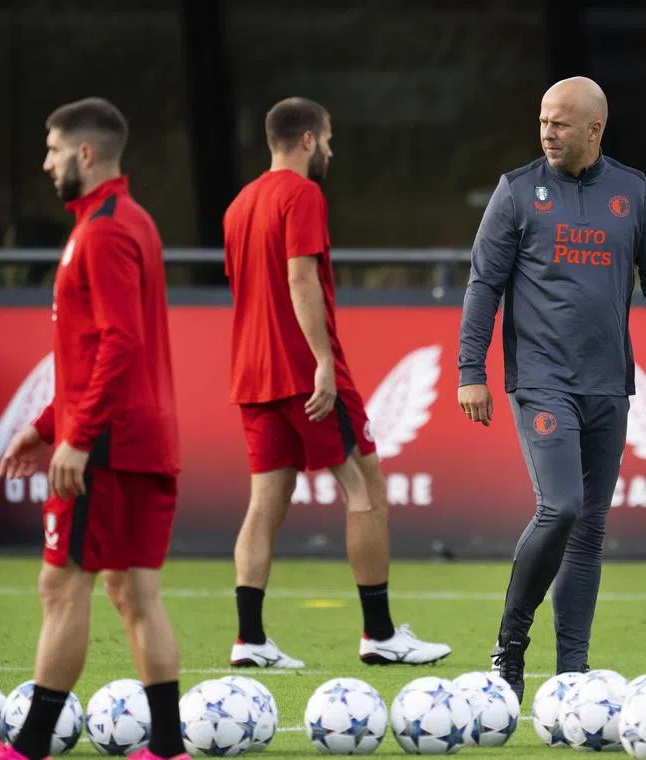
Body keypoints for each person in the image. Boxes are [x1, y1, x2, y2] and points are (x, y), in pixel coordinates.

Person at [458, 76, 646, 702]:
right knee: (560, 508)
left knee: (590, 529)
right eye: (543, 120)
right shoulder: (516, 192)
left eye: (561, 123)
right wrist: (470, 372)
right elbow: (484, 285)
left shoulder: (633, 191)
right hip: (542, 381)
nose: (547, 132)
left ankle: (572, 673)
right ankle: (511, 646)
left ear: (594, 129)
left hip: (608, 386)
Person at [223, 97, 450, 668]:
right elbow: (300, 278)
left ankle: (249, 639)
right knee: (364, 490)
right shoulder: (302, 194)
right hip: (305, 372)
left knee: (263, 504)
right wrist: (322, 360)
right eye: (327, 138)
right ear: (306, 140)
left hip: (252, 375)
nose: (330, 149)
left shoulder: (238, 205)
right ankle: (379, 634)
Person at [0, 98, 188, 760]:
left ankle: (28, 746)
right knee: (134, 591)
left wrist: (76, 439)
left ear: (85, 154)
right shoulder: (130, 221)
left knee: (62, 585)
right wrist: (48, 425)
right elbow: (101, 349)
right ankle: (167, 749)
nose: (46, 163)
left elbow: (119, 343)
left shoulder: (102, 232)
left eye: (52, 150)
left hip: (106, 445)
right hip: (138, 438)